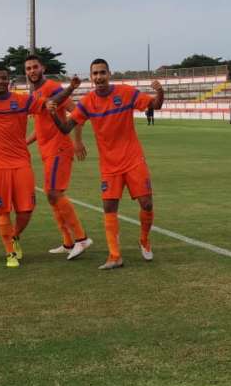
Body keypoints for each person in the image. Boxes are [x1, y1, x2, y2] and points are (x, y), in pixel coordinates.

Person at [48, 58, 164, 270]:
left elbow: (154, 105)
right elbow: (66, 128)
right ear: (91, 78)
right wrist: (53, 113)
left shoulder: (126, 92)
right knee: (109, 207)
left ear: (109, 74)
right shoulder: (88, 102)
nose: (99, 77)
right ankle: (114, 255)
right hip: (109, 165)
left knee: (147, 204)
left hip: (133, 159)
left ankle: (145, 240)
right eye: (95, 74)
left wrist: (160, 92)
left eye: (102, 72)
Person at [0, 66, 79, 268]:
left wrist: (70, 89)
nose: (0, 81)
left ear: (8, 81)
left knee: (26, 211)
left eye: (3, 78)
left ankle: (14, 236)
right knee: (3, 211)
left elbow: (50, 103)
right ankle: (10, 253)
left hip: (21, 163)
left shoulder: (23, 100)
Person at [23, 55, 93, 260]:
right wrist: (24, 143)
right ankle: (68, 242)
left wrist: (77, 141)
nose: (32, 71)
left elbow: (78, 113)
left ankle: (81, 239)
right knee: (52, 196)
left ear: (42, 68)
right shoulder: (35, 92)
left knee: (55, 193)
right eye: (28, 68)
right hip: (46, 151)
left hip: (59, 149)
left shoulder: (53, 87)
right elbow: (41, 126)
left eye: (35, 67)